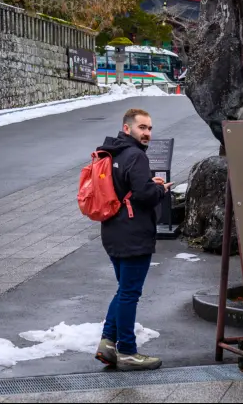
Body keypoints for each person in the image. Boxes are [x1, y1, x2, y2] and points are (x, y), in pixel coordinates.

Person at [94, 108, 170, 371]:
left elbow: (128, 186)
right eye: (142, 128)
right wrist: (159, 188)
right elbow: (144, 196)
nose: (147, 133)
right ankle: (127, 350)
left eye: (149, 128)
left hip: (113, 231)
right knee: (129, 293)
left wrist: (150, 183)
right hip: (134, 234)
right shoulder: (136, 155)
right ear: (127, 129)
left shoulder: (112, 152)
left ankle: (108, 342)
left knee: (124, 290)